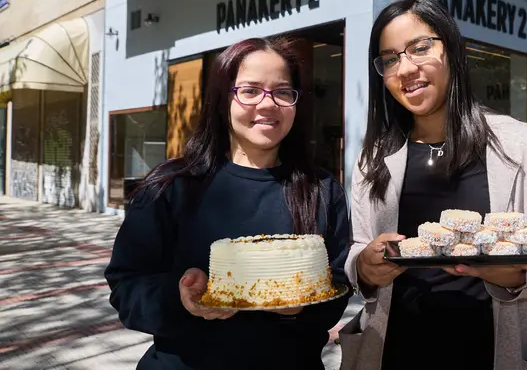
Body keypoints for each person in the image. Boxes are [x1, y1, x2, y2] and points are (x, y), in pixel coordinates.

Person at [339, 0, 527, 370]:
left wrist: (517, 276)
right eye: (389, 59)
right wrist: (364, 269)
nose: (405, 68)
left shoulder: (523, 146)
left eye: (420, 48)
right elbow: (358, 249)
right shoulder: (374, 158)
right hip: (395, 352)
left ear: (453, 51)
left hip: (494, 352)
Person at [104, 37, 351, 369]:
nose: (268, 104)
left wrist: (300, 308)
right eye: (249, 90)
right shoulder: (171, 184)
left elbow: (336, 287)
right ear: (223, 100)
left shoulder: (321, 189)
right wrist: (180, 297)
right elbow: (127, 287)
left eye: (282, 91)